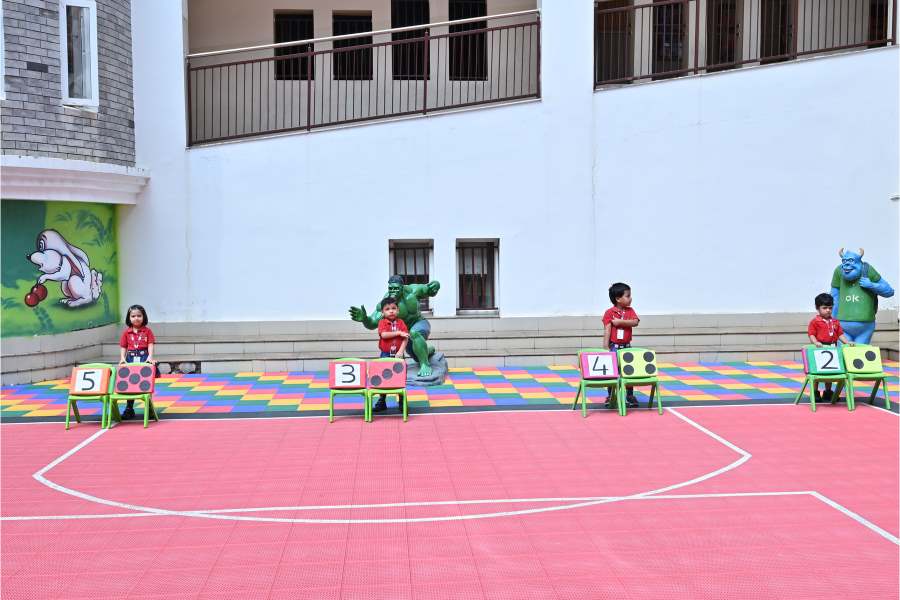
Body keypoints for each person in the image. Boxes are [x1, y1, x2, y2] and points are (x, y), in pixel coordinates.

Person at [350, 275, 440, 377]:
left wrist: (435, 285)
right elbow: (372, 323)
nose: (393, 291)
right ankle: (428, 351)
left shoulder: (413, 291)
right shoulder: (386, 303)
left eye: (396, 288)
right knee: (417, 356)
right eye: (391, 289)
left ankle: (425, 365)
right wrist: (365, 319)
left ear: (402, 287)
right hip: (404, 333)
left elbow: (428, 289)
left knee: (414, 332)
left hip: (419, 323)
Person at [808, 292, 853, 402]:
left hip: (833, 350)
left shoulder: (835, 322)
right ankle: (815, 392)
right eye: (824, 308)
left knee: (830, 372)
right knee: (817, 372)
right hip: (820, 349)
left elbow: (840, 334)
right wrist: (815, 342)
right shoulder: (815, 322)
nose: (828, 310)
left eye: (830, 308)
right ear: (817, 308)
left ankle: (828, 392)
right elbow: (811, 334)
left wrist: (847, 342)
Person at [603, 282, 640, 408]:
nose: (630, 298)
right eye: (628, 296)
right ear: (618, 299)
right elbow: (607, 329)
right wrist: (606, 346)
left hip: (627, 347)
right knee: (612, 372)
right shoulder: (609, 313)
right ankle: (611, 395)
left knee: (628, 371)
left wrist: (620, 322)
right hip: (614, 347)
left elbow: (635, 322)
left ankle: (629, 395)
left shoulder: (630, 311)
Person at [118, 304, 157, 420]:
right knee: (130, 385)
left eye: (139, 316)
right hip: (130, 359)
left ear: (144, 317)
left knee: (146, 385)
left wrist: (150, 357)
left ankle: (149, 408)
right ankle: (129, 409)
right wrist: (122, 358)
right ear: (129, 318)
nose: (136, 318)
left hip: (144, 358)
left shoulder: (148, 331)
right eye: (133, 316)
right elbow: (123, 346)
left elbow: (150, 345)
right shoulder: (126, 332)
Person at [373, 297, 409, 413]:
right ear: (382, 312)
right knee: (384, 377)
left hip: (398, 355)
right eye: (387, 309)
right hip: (385, 354)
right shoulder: (382, 322)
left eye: (394, 308)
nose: (391, 311)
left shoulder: (401, 322)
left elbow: (405, 338)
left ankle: (402, 400)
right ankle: (382, 400)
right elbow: (383, 335)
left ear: (398, 310)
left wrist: (401, 351)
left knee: (400, 377)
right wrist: (398, 333)